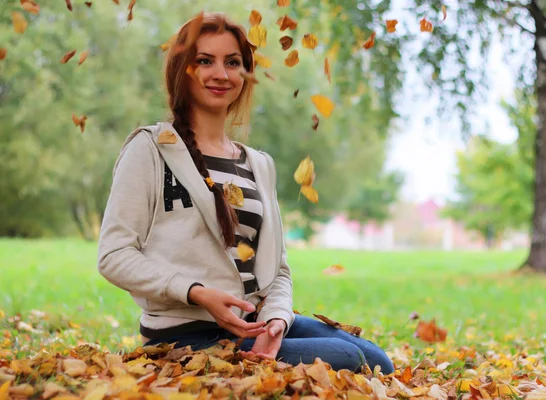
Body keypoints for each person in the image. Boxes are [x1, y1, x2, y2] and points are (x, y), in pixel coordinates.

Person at [97, 11, 394, 374]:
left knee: (379, 361)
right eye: (204, 61)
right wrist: (196, 291)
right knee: (349, 359)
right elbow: (114, 255)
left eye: (233, 62)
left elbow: (278, 270)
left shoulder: (258, 164)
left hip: (255, 321)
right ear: (182, 70)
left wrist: (277, 321)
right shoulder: (151, 148)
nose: (220, 74)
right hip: (188, 336)